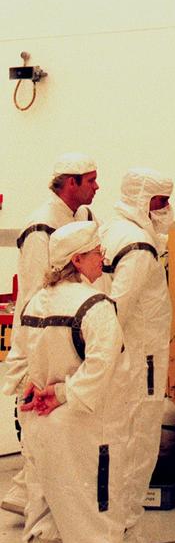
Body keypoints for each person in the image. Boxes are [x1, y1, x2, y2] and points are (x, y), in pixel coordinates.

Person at [2, 221, 166, 543]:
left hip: (39, 429)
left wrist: (35, 389)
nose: (103, 259)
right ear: (77, 260)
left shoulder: (35, 302)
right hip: (86, 431)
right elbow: (100, 369)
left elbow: (16, 363)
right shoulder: (96, 306)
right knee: (98, 527)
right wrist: (60, 394)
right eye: (96, 252)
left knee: (44, 523)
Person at [2, 153, 99, 519]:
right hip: (44, 337)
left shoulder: (83, 218)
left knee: (64, 422)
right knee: (39, 419)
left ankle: (35, 495)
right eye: (91, 180)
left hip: (73, 332)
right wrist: (34, 355)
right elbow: (34, 293)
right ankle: (34, 501)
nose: (97, 186)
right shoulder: (40, 227)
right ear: (71, 182)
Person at [100, 167, 174, 543]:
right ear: (144, 199)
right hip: (139, 361)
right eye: (161, 202)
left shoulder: (113, 231)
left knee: (121, 448)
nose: (166, 209)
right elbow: (117, 309)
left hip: (125, 361)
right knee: (137, 450)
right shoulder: (139, 246)